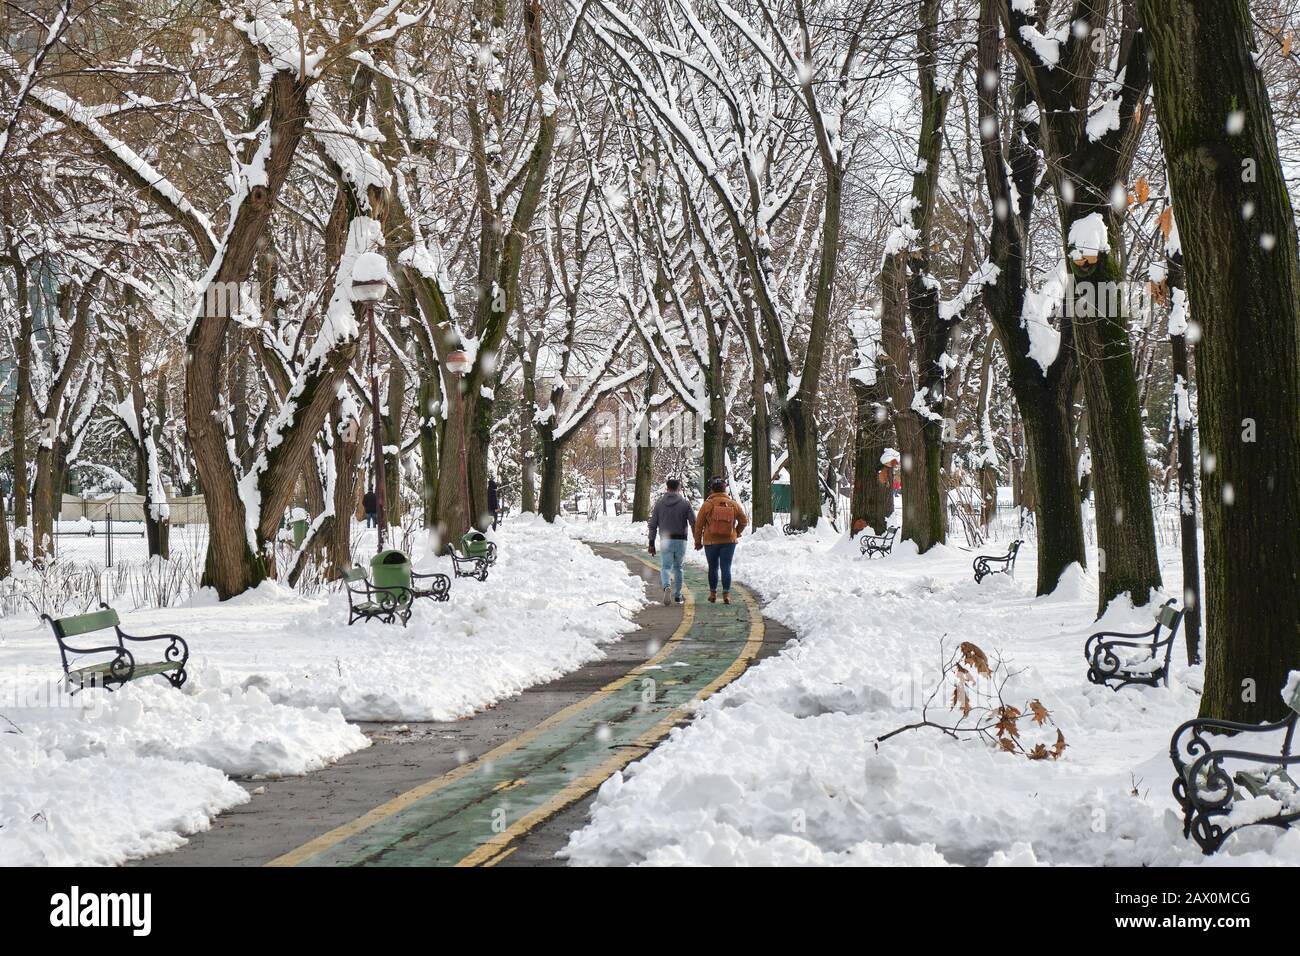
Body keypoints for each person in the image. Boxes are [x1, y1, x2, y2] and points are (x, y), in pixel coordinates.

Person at [694, 475, 748, 604]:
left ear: (712, 490)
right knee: (726, 567)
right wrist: (736, 532)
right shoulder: (733, 504)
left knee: (713, 567)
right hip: (729, 541)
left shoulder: (707, 505)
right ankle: (726, 595)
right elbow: (744, 521)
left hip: (710, 541)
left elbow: (699, 525)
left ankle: (713, 593)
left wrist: (697, 542)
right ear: (725, 490)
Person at [647, 478, 694, 605]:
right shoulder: (685, 504)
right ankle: (678, 596)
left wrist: (651, 543)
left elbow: (653, 525)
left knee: (666, 567)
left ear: (667, 488)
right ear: (679, 489)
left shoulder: (659, 504)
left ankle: (666, 586)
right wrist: (698, 539)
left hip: (665, 540)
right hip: (681, 540)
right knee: (678, 568)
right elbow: (693, 522)